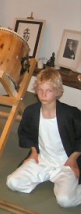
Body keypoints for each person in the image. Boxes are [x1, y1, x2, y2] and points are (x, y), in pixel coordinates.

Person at [6, 68, 81, 208]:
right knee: (12, 182)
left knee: (65, 201)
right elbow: (26, 133)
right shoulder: (31, 112)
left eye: (49, 90)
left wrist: (73, 159)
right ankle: (44, 177)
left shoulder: (70, 114)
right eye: (40, 90)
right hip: (42, 160)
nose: (43, 95)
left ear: (58, 91)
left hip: (64, 164)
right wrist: (34, 152)